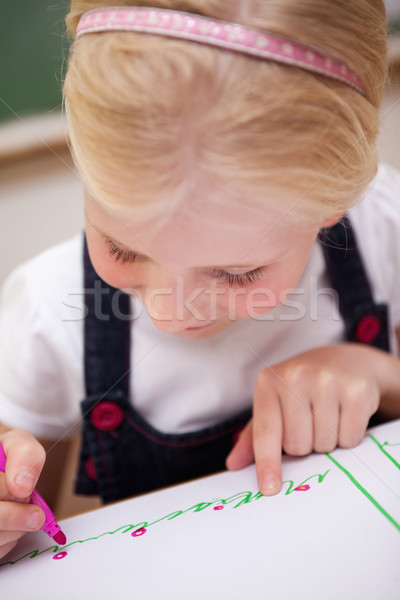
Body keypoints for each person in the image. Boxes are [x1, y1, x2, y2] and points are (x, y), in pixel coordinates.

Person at [1, 0, 400, 560]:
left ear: (340, 199)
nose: (172, 312)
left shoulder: (385, 224)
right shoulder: (46, 310)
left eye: (238, 273)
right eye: (121, 247)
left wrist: (381, 374)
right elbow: (25, 522)